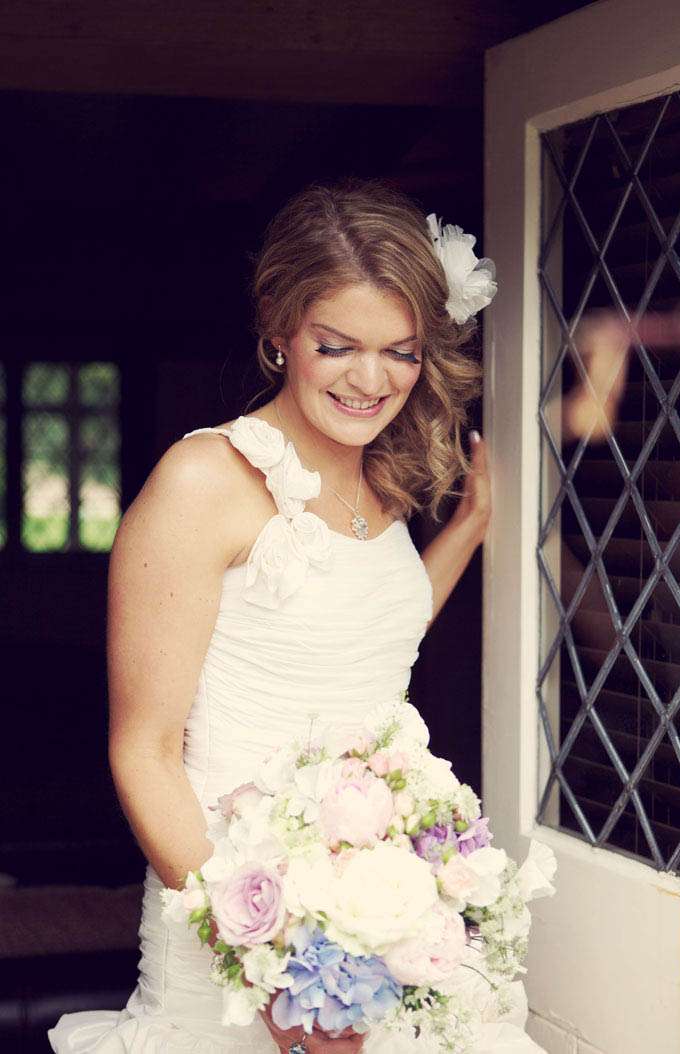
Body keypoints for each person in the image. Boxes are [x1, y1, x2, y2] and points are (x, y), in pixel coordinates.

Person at [48, 177, 495, 1053]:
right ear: (280, 330)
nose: (371, 380)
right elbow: (143, 753)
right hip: (231, 954)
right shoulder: (203, 483)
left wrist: (470, 527)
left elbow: (361, 645)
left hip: (372, 939)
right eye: (337, 346)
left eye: (401, 352)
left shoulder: (379, 476)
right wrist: (277, 982)